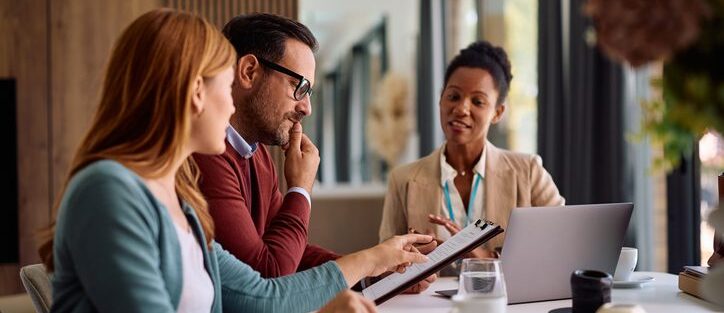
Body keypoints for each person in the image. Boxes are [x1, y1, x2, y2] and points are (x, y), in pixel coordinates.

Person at [37, 9, 431, 313]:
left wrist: (375, 264)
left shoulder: (180, 204)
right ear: (196, 93)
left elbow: (264, 298)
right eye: (224, 85)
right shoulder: (109, 192)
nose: (230, 105)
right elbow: (268, 281)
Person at [192, 13, 436, 292]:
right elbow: (270, 275)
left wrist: (379, 272)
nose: (306, 107)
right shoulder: (206, 155)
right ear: (249, 72)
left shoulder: (256, 154)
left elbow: (292, 255)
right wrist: (300, 190)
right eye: (299, 86)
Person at [379, 41, 565, 258]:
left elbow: (561, 242)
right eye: (453, 96)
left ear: (497, 112)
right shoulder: (402, 179)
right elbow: (383, 263)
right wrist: (406, 265)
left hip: (506, 293)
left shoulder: (529, 172)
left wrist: (487, 257)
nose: (461, 109)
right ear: (441, 99)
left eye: (477, 101)